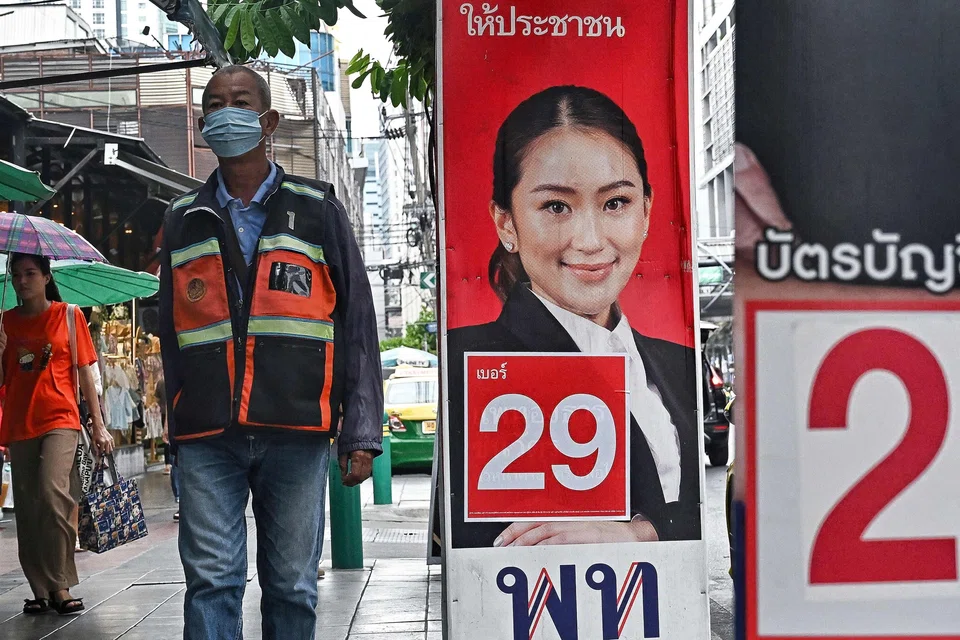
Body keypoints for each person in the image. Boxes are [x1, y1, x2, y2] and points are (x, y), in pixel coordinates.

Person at [158, 65, 382, 640]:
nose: (225, 112)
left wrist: (360, 430)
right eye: (214, 104)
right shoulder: (182, 219)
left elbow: (354, 321)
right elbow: (171, 336)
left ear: (269, 122)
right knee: (210, 584)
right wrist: (174, 434)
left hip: (296, 430)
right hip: (207, 433)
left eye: (240, 102)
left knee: (291, 586)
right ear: (204, 123)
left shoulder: (317, 209)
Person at [448, 86, 701, 549]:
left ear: (646, 211)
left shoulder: (680, 362)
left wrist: (641, 533)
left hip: (670, 616)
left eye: (616, 203)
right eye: (556, 207)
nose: (590, 240)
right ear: (507, 224)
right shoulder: (469, 360)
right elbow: (474, 541)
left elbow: (705, 510)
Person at [0, 253, 114, 615]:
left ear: (47, 277)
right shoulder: (5, 323)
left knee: (53, 494)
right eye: (16, 274)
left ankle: (61, 583)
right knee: (29, 508)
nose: (22, 281)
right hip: (20, 422)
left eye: (30, 273)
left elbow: (84, 374)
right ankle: (40, 589)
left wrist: (97, 424)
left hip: (61, 418)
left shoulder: (69, 315)